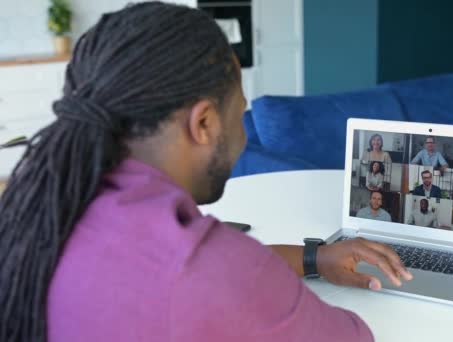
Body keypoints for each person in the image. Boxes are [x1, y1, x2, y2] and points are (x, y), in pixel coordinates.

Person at [0, 4, 413, 342]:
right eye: (240, 112)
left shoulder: (39, 205)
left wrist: (313, 257)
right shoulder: (209, 274)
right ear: (204, 124)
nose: (242, 133)